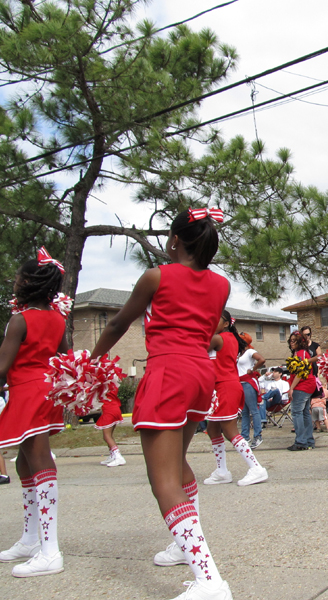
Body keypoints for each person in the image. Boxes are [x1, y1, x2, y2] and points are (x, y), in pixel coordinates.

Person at [90, 208, 233, 600]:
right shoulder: (221, 285)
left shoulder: (156, 276)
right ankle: (185, 546)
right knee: (178, 463)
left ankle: (209, 580)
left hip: (168, 372)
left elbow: (117, 324)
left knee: (163, 481)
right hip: (200, 375)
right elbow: (205, 328)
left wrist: (91, 362)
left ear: (175, 240)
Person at [0, 250, 68, 577]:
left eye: (17, 278)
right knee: (24, 462)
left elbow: (3, 365)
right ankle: (30, 539)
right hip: (47, 391)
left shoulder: (20, 319)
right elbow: (65, 356)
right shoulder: (57, 319)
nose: (14, 283)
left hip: (27, 392)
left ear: (28, 282)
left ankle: (50, 550)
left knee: (40, 461)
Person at [204, 311, 268, 487]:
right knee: (213, 429)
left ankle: (256, 468)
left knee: (229, 430)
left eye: (215, 319)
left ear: (226, 323)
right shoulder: (229, 338)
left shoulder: (218, 338)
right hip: (222, 386)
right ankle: (222, 471)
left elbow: (196, 347)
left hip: (225, 386)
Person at [286, 330, 317, 451]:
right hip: (305, 385)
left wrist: (291, 388)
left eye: (294, 341)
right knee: (304, 413)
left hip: (303, 386)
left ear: (300, 342)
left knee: (296, 412)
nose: (291, 343)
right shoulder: (299, 353)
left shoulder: (301, 353)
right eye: (290, 341)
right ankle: (308, 441)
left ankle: (301, 441)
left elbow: (301, 372)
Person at [237, 332, 265, 448]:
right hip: (240, 383)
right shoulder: (239, 353)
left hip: (248, 382)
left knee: (253, 410)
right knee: (244, 411)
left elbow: (262, 360)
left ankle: (258, 435)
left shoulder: (250, 352)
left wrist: (253, 369)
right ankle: (245, 436)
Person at [96, 386, 126, 468]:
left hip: (109, 410)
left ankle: (118, 456)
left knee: (107, 436)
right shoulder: (112, 385)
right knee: (109, 435)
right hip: (115, 408)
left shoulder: (104, 385)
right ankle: (113, 455)